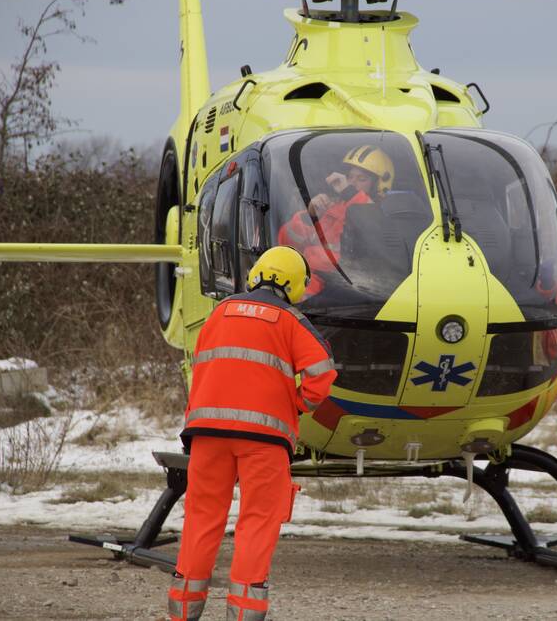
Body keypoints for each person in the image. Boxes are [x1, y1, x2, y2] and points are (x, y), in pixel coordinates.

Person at [167, 246, 337, 621]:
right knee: (258, 521)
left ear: (256, 274)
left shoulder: (219, 313)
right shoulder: (290, 319)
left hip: (207, 433)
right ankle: (243, 613)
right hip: (264, 439)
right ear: (294, 284)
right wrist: (296, 405)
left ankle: (182, 609)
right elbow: (322, 373)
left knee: (202, 515)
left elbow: (203, 368)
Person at [277, 145, 394, 296]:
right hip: (304, 280)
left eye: (362, 179)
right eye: (350, 177)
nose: (352, 183)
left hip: (340, 289)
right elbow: (285, 244)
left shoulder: (385, 216)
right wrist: (310, 218)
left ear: (378, 186)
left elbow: (365, 243)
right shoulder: (332, 208)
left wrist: (350, 194)